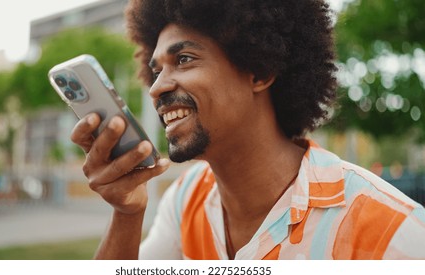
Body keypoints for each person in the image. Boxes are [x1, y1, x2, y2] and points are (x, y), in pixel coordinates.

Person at [70, 0, 425, 260]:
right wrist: (127, 214)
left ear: (259, 71)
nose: (156, 87)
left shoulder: (392, 231)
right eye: (157, 69)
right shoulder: (186, 200)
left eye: (183, 59)